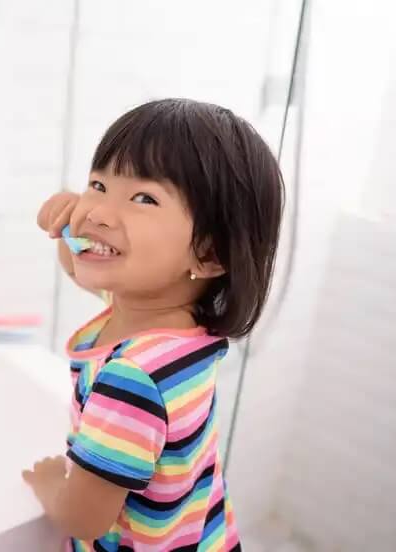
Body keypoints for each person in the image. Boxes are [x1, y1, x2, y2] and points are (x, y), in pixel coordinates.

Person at [24, 98, 284, 551]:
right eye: (98, 184)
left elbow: (84, 518)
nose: (98, 211)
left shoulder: (130, 377)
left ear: (208, 253)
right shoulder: (177, 327)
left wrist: (49, 483)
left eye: (144, 198)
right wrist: (71, 222)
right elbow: (81, 266)